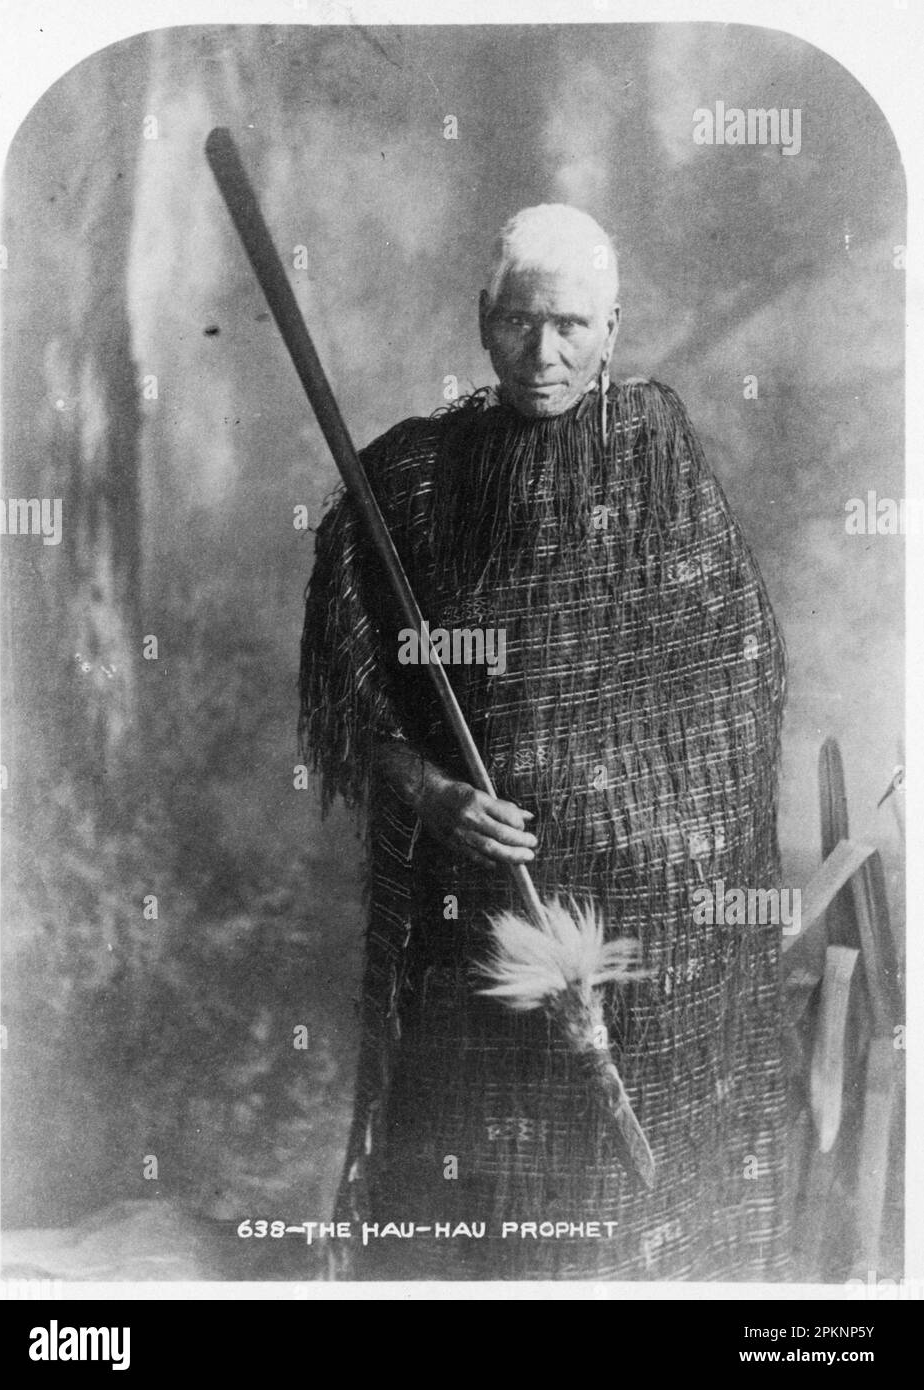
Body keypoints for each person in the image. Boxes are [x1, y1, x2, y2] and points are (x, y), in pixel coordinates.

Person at [300, 204, 789, 1280]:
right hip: (474, 897)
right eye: (521, 322)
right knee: (471, 1204)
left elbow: (735, 679)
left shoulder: (656, 457)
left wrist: (659, 840)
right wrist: (435, 793)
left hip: (646, 910)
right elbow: (354, 701)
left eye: (571, 324)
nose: (545, 351)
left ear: (613, 329)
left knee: (631, 1212)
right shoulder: (412, 482)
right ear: (483, 322)